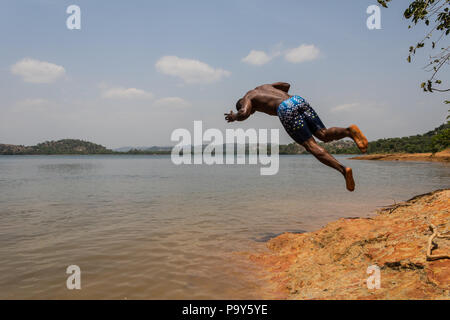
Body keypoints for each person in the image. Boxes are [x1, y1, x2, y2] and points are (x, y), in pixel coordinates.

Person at [224, 82, 368, 191]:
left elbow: (243, 113)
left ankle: (344, 170)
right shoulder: (264, 86)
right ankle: (349, 131)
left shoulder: (247, 98)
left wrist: (234, 117)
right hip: (298, 100)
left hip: (285, 109)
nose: (252, 112)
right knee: (323, 134)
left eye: (252, 111)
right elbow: (286, 85)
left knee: (311, 145)